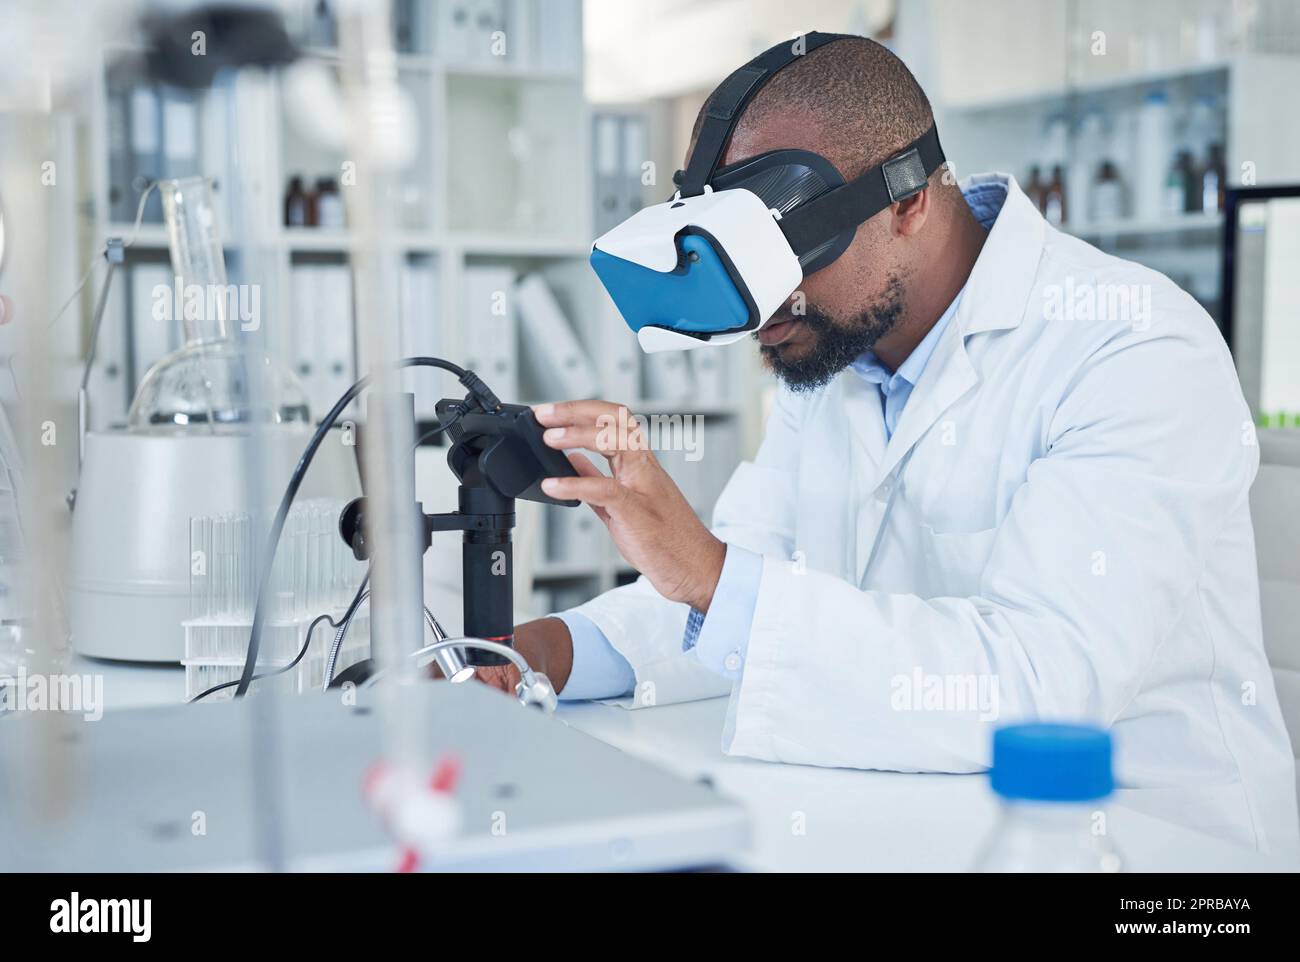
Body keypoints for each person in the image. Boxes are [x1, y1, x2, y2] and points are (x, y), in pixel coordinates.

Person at [474, 36, 1297, 853]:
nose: (766, 310)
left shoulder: (1132, 348)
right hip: (920, 818)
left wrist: (711, 573)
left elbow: (1045, 690)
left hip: (1160, 852)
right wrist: (545, 653)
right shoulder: (832, 357)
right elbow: (722, 606)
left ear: (907, 199)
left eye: (789, 255)